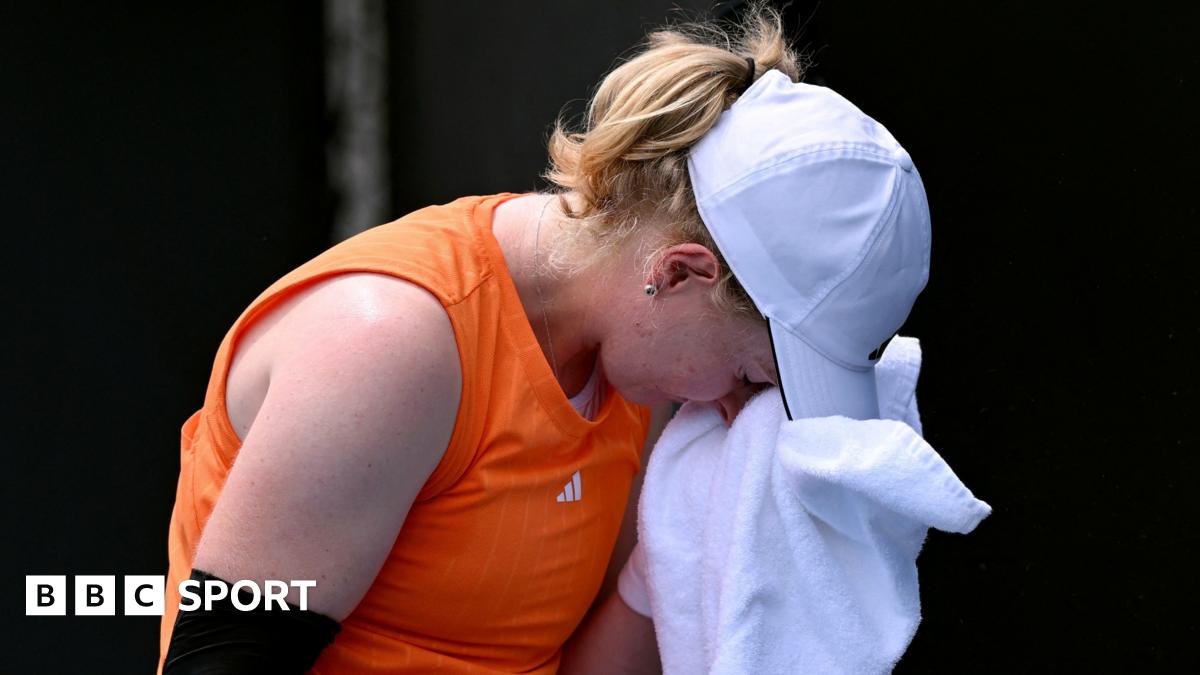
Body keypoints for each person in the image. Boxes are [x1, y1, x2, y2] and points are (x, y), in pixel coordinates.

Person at [160, 3, 928, 672]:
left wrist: (689, 552)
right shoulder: (392, 340)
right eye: (755, 374)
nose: (736, 407)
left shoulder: (637, 367)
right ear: (682, 272)